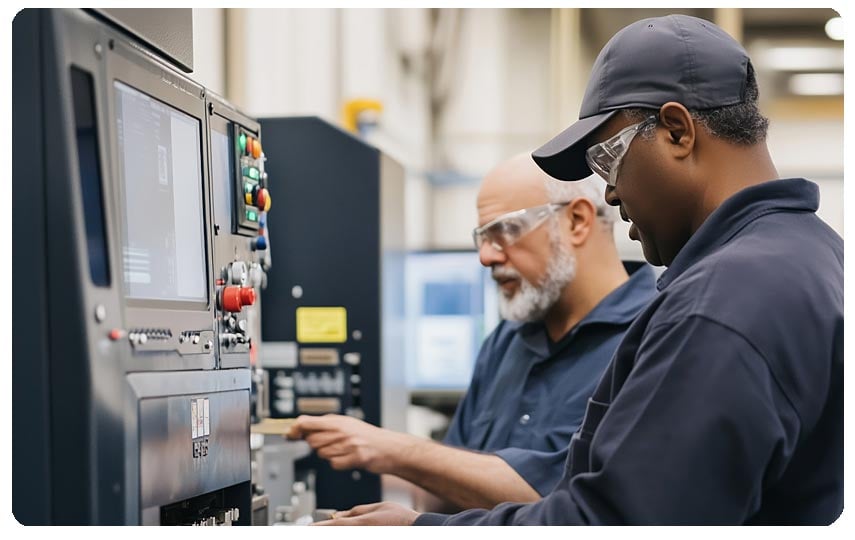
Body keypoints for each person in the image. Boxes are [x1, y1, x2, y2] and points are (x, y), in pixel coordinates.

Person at [317, 14, 843, 525]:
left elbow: (611, 521)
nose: (611, 192)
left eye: (608, 162)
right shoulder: (811, 257)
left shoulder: (723, 301)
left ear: (678, 132)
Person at [288, 153, 657, 511]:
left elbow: (568, 502)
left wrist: (392, 450)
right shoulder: (507, 341)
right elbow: (449, 486)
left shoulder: (651, 338)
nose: (486, 257)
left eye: (506, 230)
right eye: (481, 237)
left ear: (577, 221)